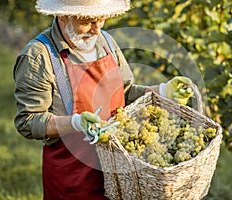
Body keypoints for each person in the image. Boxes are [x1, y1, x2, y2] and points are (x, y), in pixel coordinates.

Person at [13, 0, 194, 199]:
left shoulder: (106, 42)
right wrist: (76, 122)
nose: (97, 30)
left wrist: (162, 91)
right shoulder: (39, 56)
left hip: (120, 175)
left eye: (101, 20)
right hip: (74, 178)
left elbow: (124, 93)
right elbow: (28, 121)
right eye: (88, 21)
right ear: (63, 15)